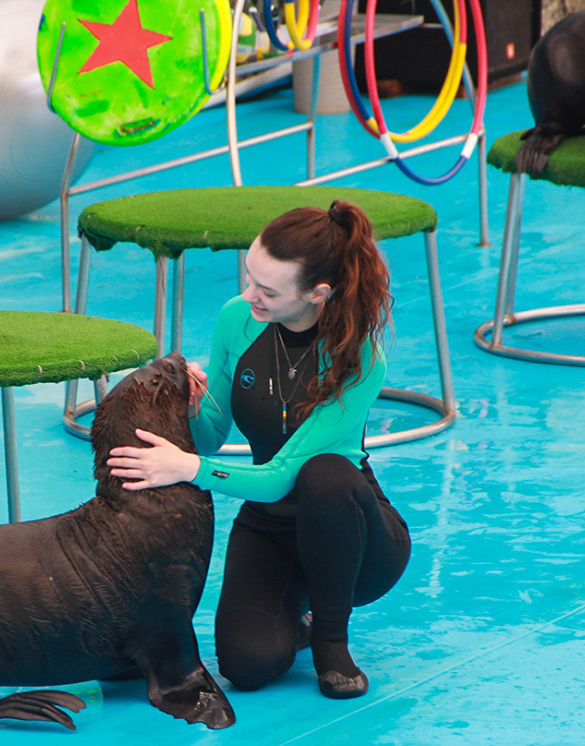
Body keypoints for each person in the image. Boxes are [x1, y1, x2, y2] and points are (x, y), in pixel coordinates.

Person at [107, 200, 410, 700]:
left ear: (318, 293)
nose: (250, 294)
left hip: (353, 535)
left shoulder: (360, 357)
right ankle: (300, 615)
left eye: (267, 290)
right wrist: (189, 408)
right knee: (247, 666)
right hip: (273, 525)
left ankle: (332, 639)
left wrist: (186, 467)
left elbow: (278, 475)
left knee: (325, 473)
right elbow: (211, 433)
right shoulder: (238, 320)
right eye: (249, 276)